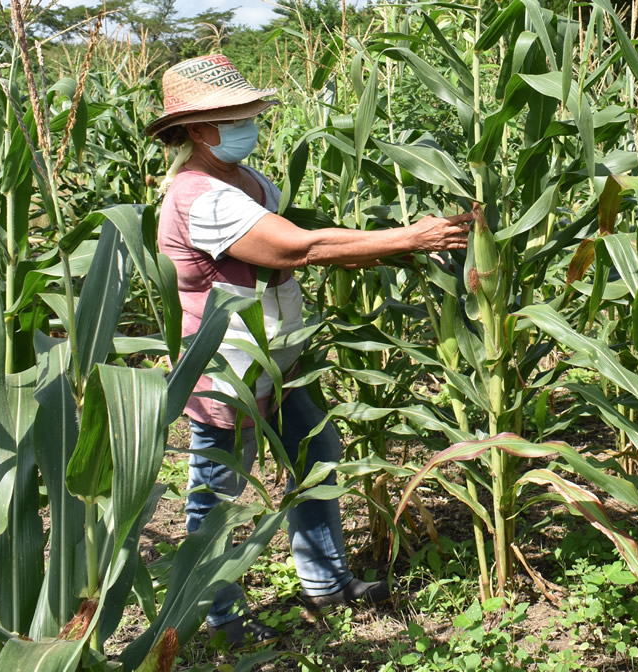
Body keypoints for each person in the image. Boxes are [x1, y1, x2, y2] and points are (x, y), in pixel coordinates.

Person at [144, 54, 472, 648]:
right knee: (218, 498)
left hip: (280, 357)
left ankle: (325, 583)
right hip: (230, 371)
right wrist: (409, 237)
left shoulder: (245, 181)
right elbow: (298, 249)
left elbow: (315, 239)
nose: (250, 121)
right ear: (196, 129)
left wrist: (404, 241)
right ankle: (218, 617)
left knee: (317, 457)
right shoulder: (200, 195)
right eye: (233, 114)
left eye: (248, 110)